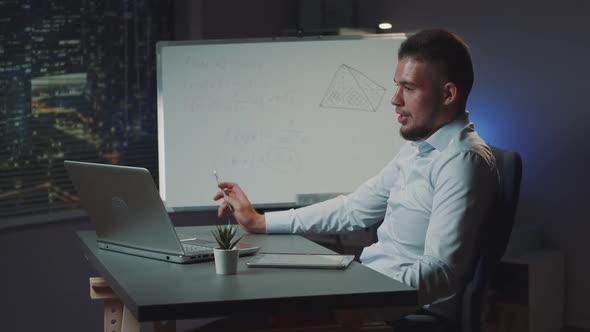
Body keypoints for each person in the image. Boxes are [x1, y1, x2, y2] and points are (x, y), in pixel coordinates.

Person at [213, 29, 499, 327]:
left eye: (409, 88)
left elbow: (441, 271)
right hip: (369, 286)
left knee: (260, 314)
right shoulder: (417, 149)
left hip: (398, 309)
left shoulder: (462, 160)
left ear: (448, 94)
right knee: (264, 297)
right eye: (396, 85)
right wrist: (260, 221)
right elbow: (353, 209)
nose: (394, 99)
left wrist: (362, 300)